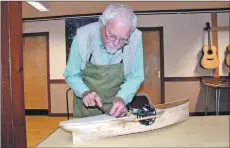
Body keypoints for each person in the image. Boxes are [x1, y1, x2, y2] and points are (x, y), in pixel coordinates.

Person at [64, 4, 144, 118]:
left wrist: (122, 98)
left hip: (117, 108)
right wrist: (84, 92)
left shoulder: (135, 38)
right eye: (111, 36)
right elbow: (71, 74)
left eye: (123, 39)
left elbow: (135, 76)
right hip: (85, 109)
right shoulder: (83, 36)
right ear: (102, 25)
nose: (116, 44)